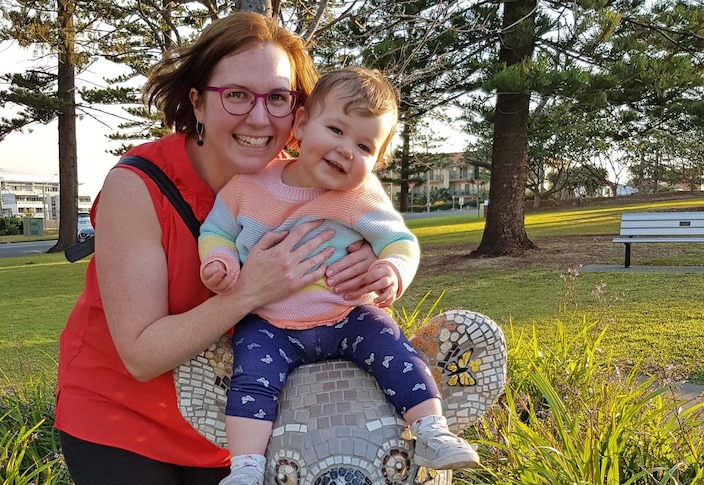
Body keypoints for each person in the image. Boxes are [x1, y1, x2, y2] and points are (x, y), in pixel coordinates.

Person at [54, 13, 378, 485]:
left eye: (278, 98)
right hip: (122, 422)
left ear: (299, 113)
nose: (260, 116)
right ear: (198, 103)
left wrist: (371, 260)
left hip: (240, 425)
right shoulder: (137, 186)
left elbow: (381, 238)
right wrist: (247, 292)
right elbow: (141, 355)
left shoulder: (310, 181)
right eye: (236, 95)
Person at [198, 67, 481, 485]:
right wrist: (220, 261)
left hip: (347, 314)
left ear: (377, 161)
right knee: (251, 382)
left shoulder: (360, 197)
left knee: (396, 351)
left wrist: (391, 268)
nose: (347, 149)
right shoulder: (248, 187)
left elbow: (401, 241)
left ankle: (430, 430)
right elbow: (216, 230)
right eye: (335, 129)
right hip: (270, 322)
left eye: (364, 145)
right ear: (300, 124)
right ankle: (245, 467)